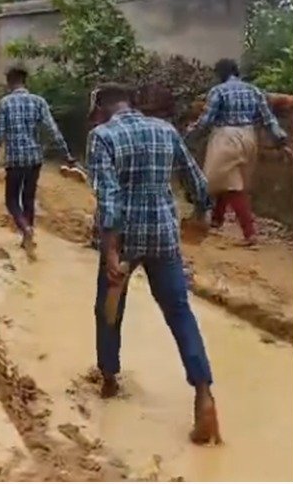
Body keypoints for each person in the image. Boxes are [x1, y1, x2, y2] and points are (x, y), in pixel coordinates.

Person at [87, 82, 220, 445]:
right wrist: (201, 211)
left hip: (125, 239)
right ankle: (204, 393)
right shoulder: (165, 130)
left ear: (101, 109)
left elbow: (109, 198)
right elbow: (196, 180)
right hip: (164, 235)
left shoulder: (102, 136)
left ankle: (109, 378)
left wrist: (110, 252)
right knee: (179, 312)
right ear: (130, 103)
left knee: (109, 309)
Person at [186, 58, 293, 245]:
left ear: (221, 74)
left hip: (226, 137)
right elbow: (268, 119)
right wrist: (281, 139)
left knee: (226, 183)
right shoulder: (254, 91)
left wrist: (188, 135)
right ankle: (217, 220)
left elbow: (206, 121)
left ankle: (249, 233)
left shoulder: (218, 91)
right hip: (249, 136)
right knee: (228, 178)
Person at [0, 66, 76, 256]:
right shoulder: (38, 102)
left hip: (14, 160)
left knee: (11, 200)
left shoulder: (5, 103)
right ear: (25, 81)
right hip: (34, 158)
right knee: (28, 198)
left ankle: (25, 228)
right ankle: (28, 236)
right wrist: (66, 154)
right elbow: (52, 129)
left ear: (9, 82)